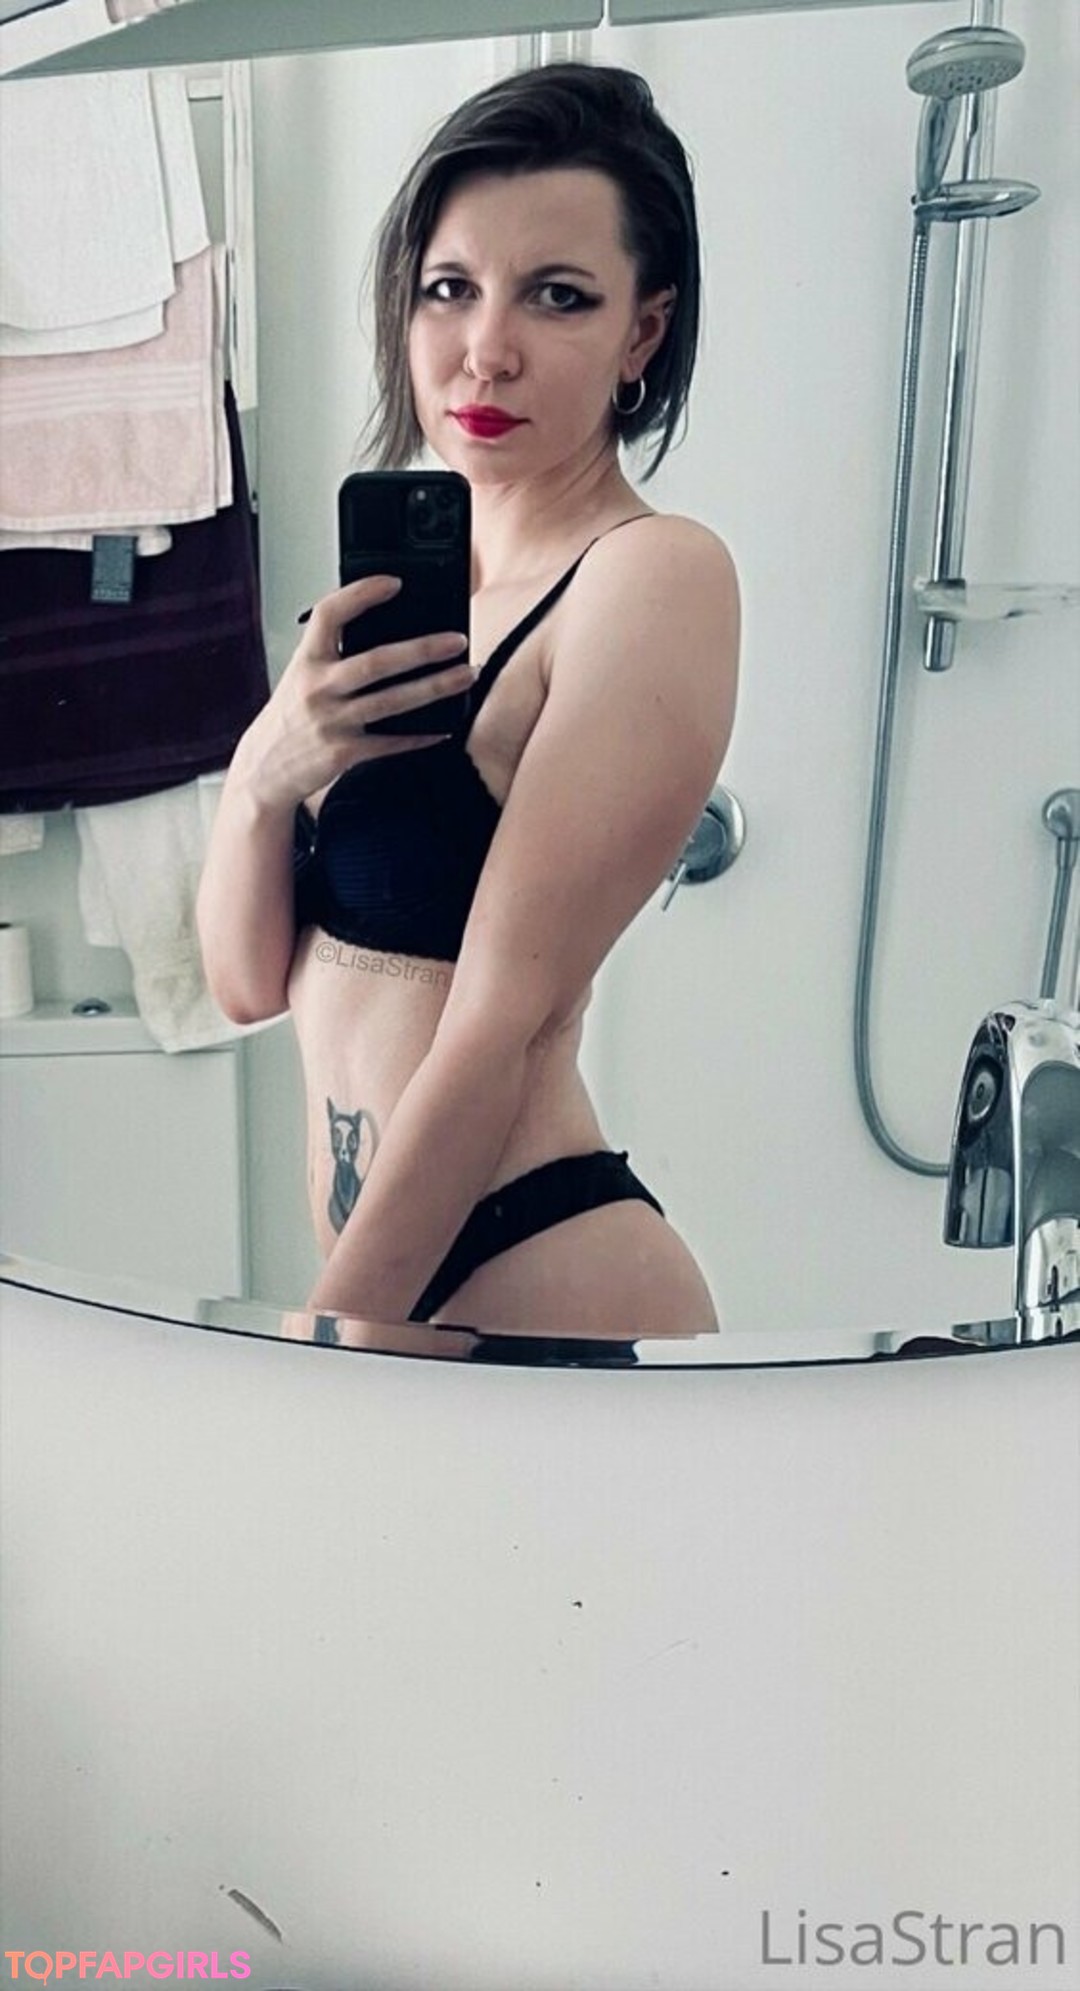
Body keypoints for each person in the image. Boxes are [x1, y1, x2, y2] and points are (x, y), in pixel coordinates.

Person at [197, 62, 739, 1337]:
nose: (486, 349)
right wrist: (267, 772)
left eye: (559, 295)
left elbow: (497, 1024)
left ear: (642, 333)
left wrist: (329, 1350)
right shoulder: (397, 601)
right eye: (450, 287)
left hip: (537, 1266)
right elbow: (246, 982)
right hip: (390, 1290)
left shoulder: (650, 577)